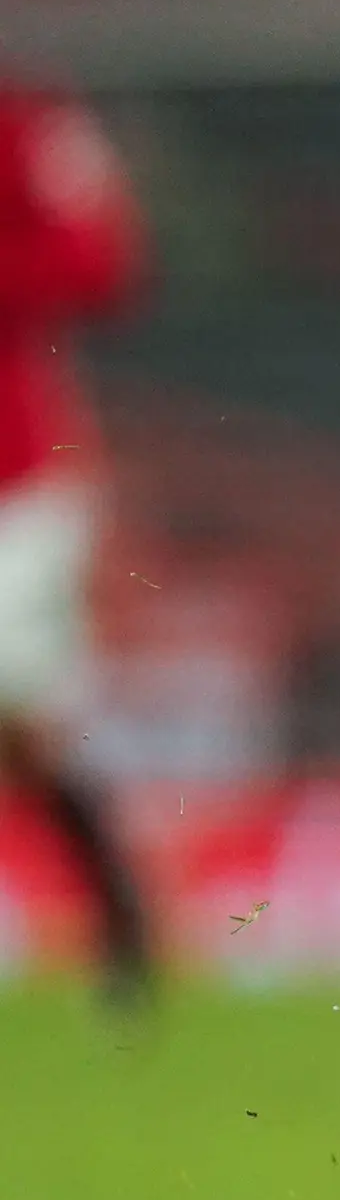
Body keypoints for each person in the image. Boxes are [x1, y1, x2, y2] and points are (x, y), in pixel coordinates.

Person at [0, 79, 157, 1003]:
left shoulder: (26, 123)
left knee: (17, 709)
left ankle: (116, 904)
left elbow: (103, 262)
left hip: (15, 482)